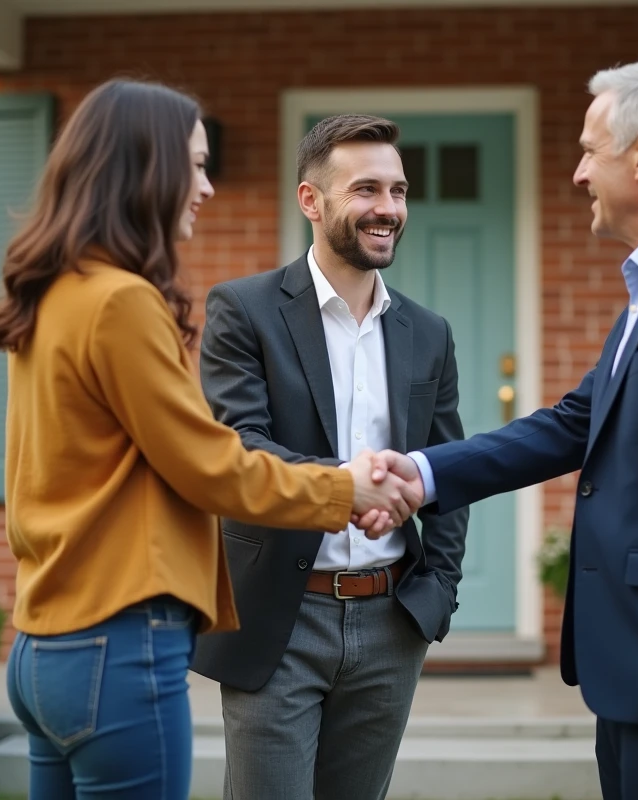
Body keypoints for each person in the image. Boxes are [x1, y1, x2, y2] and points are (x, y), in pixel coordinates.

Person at [371, 58, 638, 800]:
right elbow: (578, 422)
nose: (577, 174)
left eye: (587, 151)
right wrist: (427, 473)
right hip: (637, 672)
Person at [0, 79, 418, 800]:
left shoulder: (56, 290)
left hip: (45, 646)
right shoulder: (121, 300)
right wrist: (345, 488)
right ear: (146, 169)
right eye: (195, 164)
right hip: (117, 643)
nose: (208, 188)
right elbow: (209, 466)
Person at [191, 113, 470, 800]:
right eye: (367, 190)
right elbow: (242, 447)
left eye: (399, 192)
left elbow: (449, 469)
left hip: (390, 622)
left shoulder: (428, 334)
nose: (389, 210)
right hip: (279, 621)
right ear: (311, 202)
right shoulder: (244, 310)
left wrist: (434, 596)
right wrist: (350, 489)